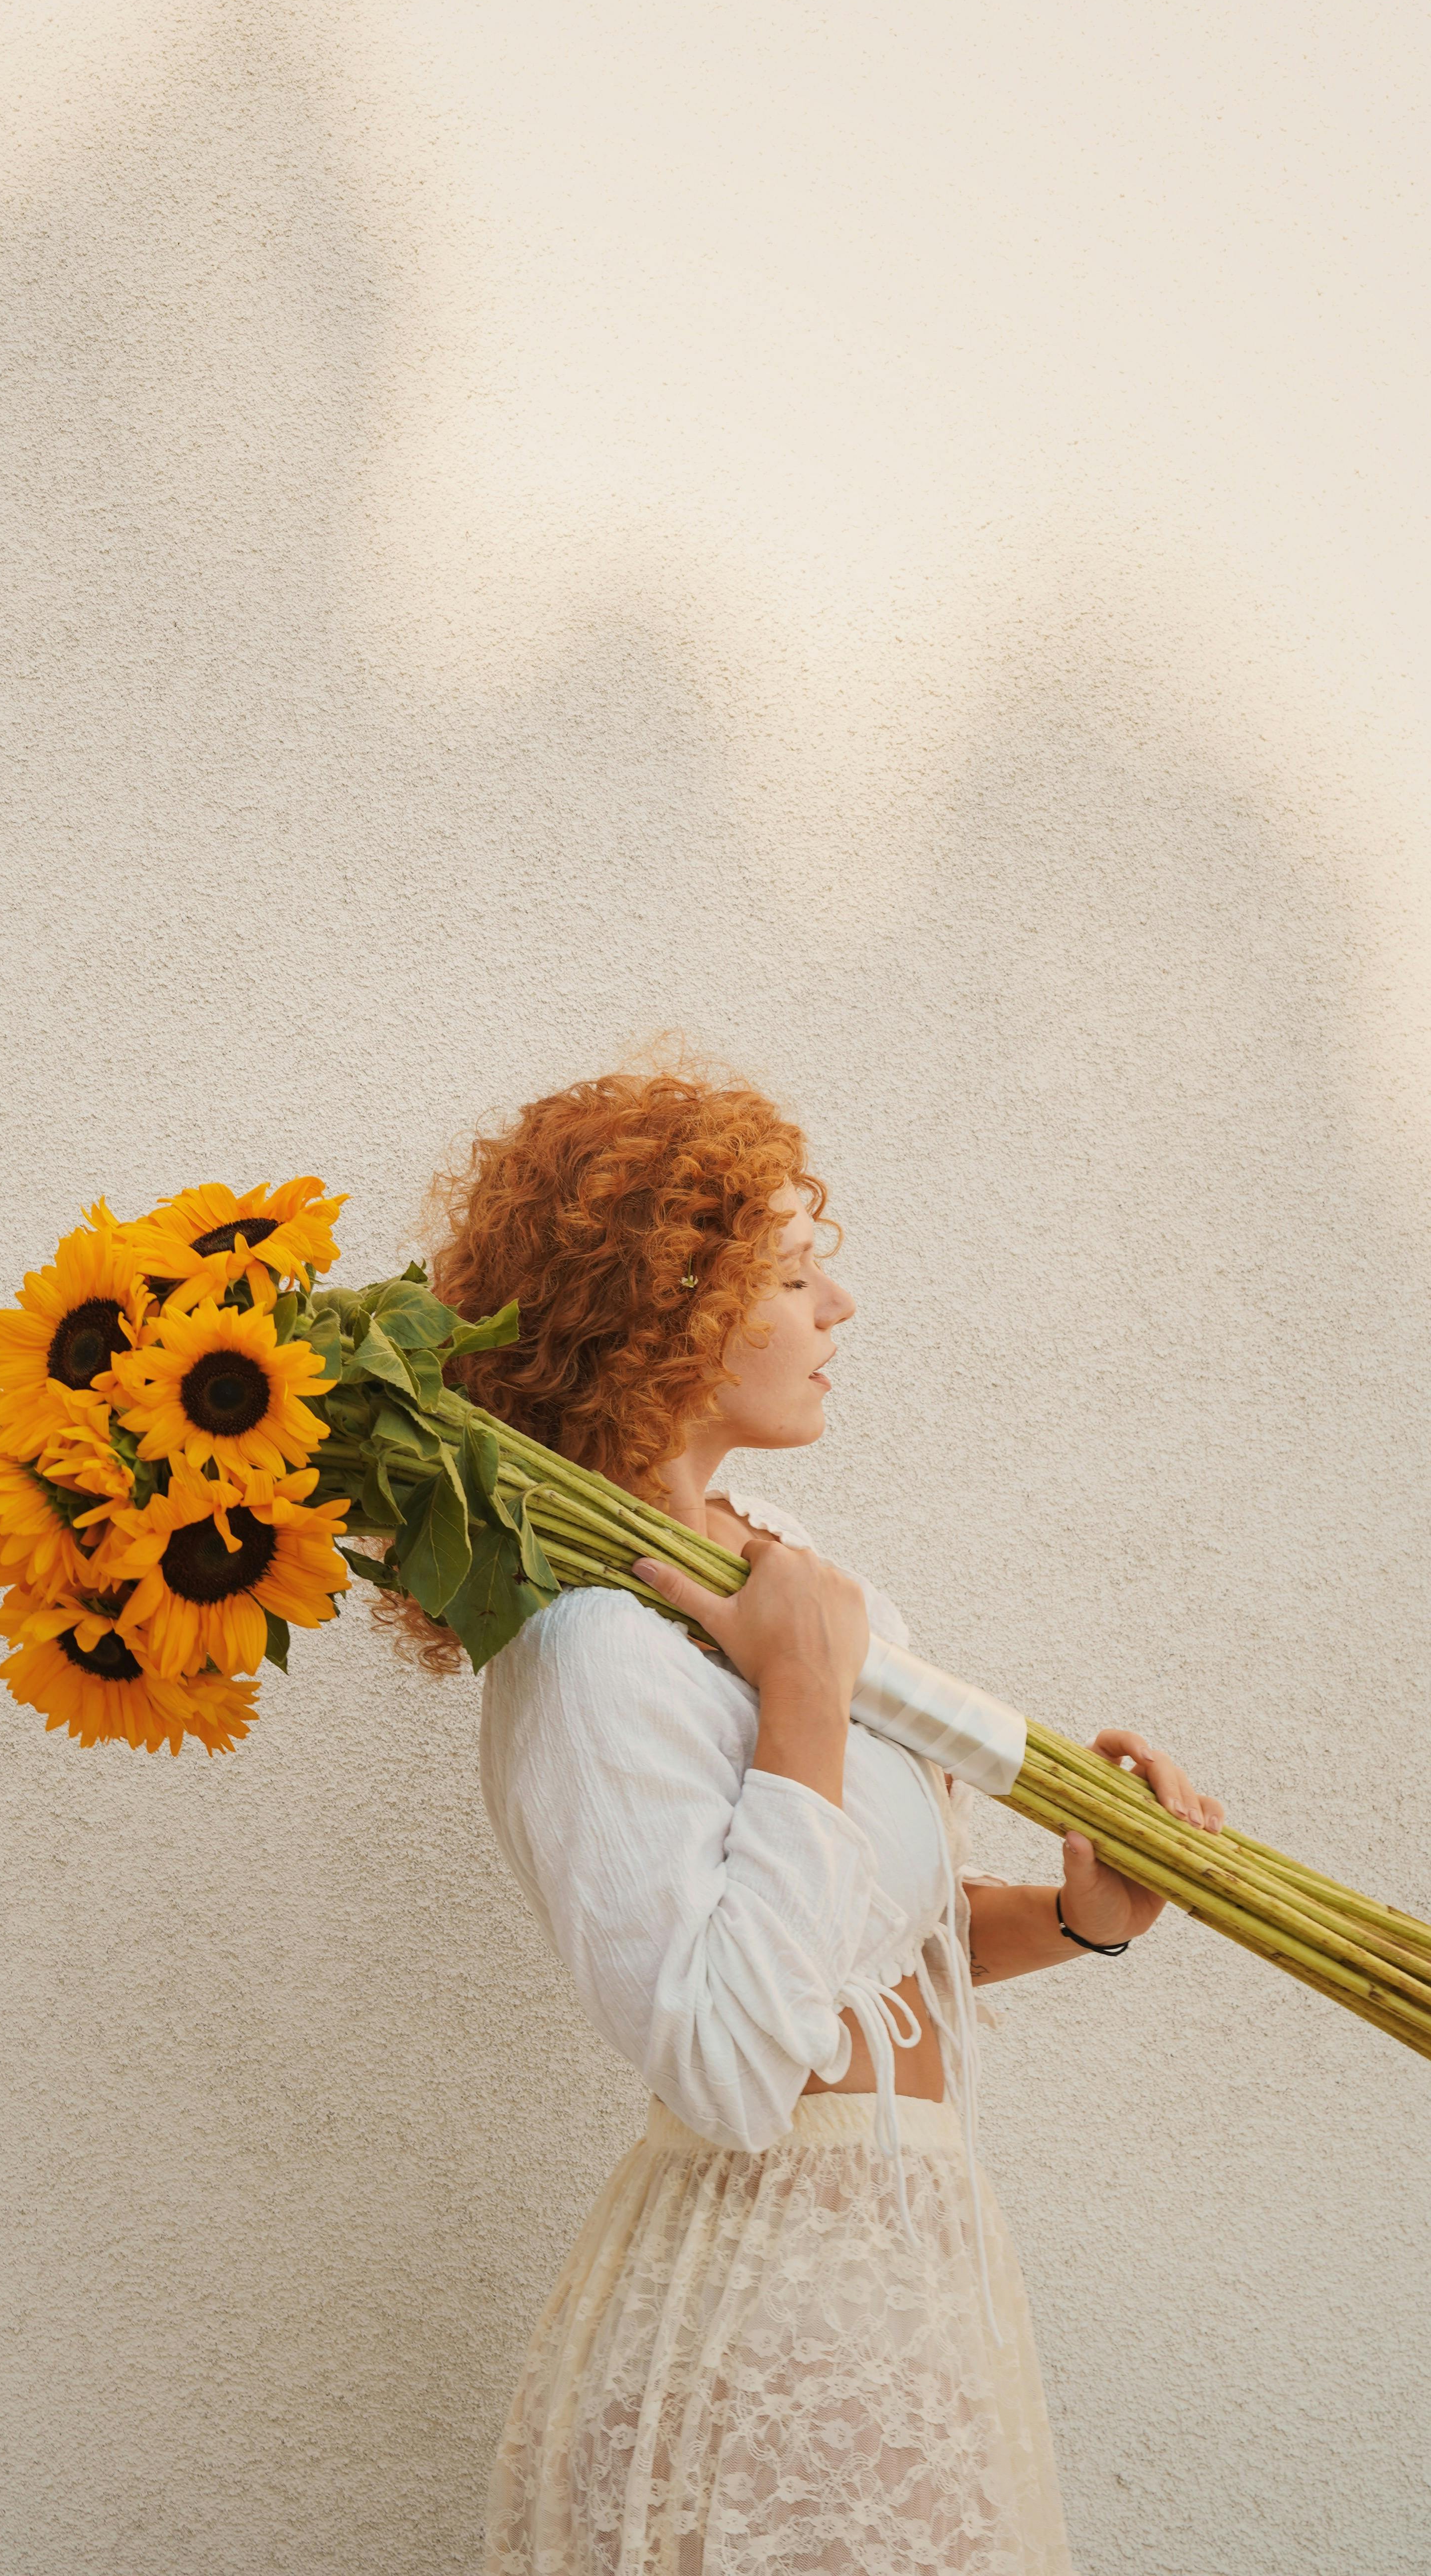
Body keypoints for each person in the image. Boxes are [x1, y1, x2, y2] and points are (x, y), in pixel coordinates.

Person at [374, 1066, 1222, 2576]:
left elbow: (881, 1931)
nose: (840, 1303)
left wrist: (1090, 1917)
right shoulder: (587, 1645)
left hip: (914, 2272)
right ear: (661, 1314)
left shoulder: (792, 1573)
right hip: (766, 2312)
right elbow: (727, 2064)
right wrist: (803, 1701)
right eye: (788, 1273)